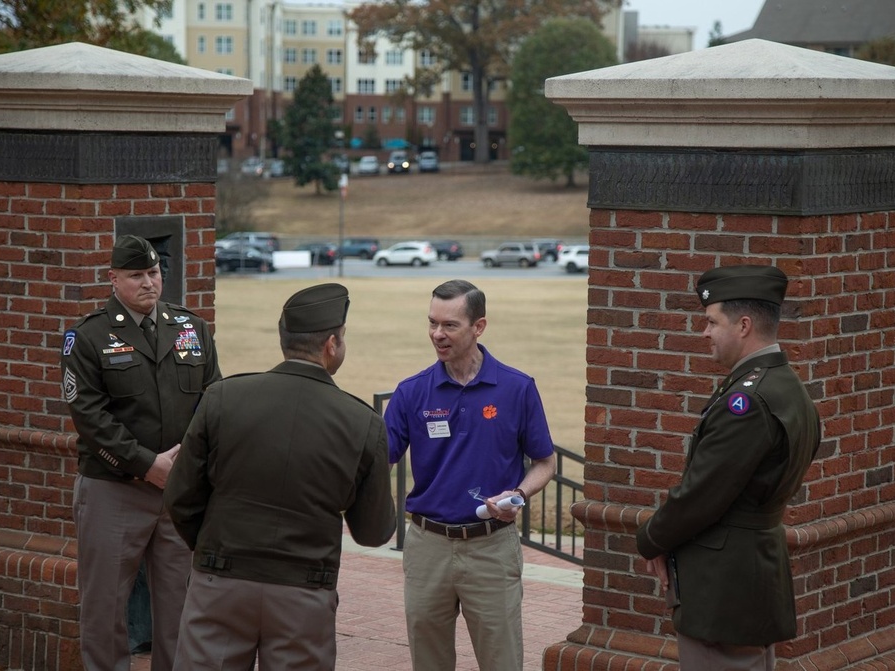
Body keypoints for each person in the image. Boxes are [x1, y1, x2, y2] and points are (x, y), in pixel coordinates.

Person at [163, 283, 396, 670]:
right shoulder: (362, 423)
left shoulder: (223, 397)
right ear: (331, 345)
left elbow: (180, 497)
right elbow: (373, 532)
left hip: (221, 579)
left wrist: (210, 549)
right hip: (303, 591)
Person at [635, 265, 821, 671]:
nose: (704, 332)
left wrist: (650, 537)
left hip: (724, 583)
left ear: (744, 326)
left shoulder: (748, 402)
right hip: (750, 572)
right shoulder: (784, 386)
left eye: (711, 322)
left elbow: (703, 493)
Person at [60, 234, 222, 670]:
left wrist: (184, 464)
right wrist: (148, 465)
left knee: (181, 608)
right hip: (115, 489)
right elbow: (90, 417)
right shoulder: (88, 336)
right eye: (136, 275)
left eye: (153, 273)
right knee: (105, 609)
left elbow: (213, 402)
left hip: (179, 493)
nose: (148, 282)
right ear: (113, 278)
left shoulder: (193, 328)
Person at [384, 279, 557, 671]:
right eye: (432, 323)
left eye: (449, 325)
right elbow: (379, 461)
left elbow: (545, 463)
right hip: (427, 547)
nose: (437, 335)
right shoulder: (411, 392)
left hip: (492, 549)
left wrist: (519, 494)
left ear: (478, 327)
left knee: (503, 661)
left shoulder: (517, 388)